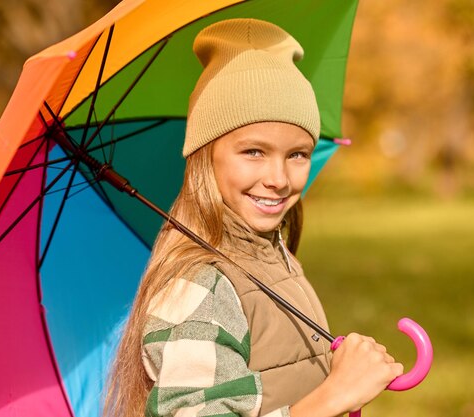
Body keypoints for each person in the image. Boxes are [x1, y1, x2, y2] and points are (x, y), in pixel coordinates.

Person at [104, 18, 403, 417]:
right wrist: (333, 395)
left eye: (297, 154)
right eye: (254, 152)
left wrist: (340, 371)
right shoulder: (200, 286)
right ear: (205, 157)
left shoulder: (272, 254)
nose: (278, 179)